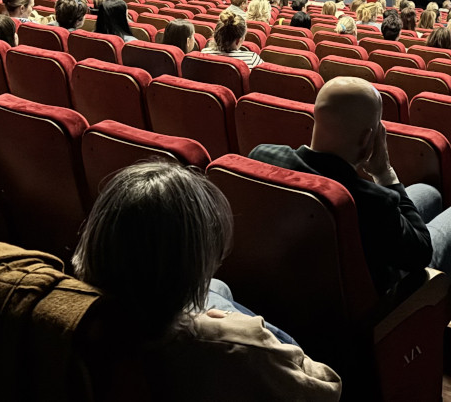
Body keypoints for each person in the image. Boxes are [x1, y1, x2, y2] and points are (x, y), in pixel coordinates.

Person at [250, 78, 451, 390]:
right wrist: (385, 173)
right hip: (380, 293)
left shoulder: (262, 156)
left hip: (304, 282)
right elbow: (420, 253)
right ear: (369, 138)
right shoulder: (369, 200)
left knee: (427, 193)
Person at [71, 162, 341, 400]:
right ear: (193, 259)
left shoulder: (69, 322)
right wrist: (247, 332)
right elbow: (327, 388)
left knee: (216, 286)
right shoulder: (240, 347)